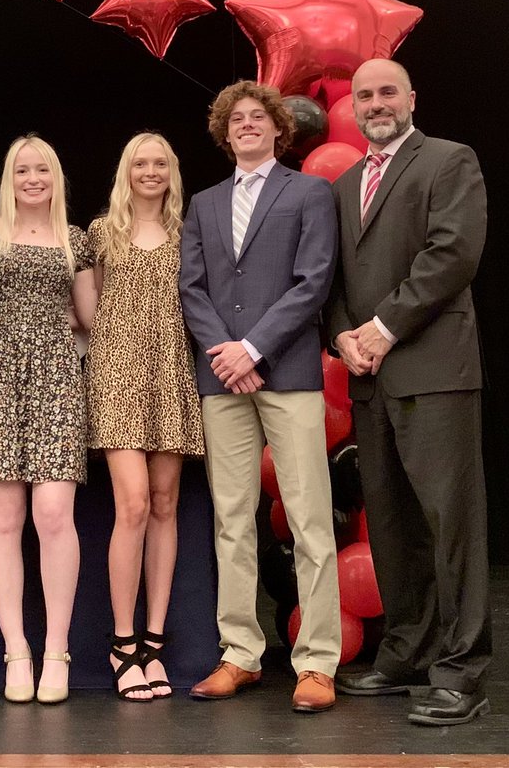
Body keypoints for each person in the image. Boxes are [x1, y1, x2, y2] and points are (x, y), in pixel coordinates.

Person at [328, 58, 491, 726]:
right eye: (364, 95)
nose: (375, 103)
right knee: (392, 524)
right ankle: (408, 652)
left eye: (387, 91)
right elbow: (331, 275)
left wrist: (382, 329)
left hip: (433, 372)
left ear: (411, 97)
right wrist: (342, 336)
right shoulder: (341, 185)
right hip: (369, 380)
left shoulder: (450, 161)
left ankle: (462, 671)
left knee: (451, 522)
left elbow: (453, 253)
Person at [179, 80, 341, 713]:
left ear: (279, 129)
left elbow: (314, 281)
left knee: (308, 520)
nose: (247, 124)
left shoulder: (310, 192)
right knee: (232, 519)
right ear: (225, 133)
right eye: (236, 118)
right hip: (222, 377)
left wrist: (255, 349)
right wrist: (228, 352)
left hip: (289, 373)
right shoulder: (203, 203)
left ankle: (318, 662)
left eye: (258, 117)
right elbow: (192, 288)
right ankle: (240, 654)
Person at [0, 136, 97, 705]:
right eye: (23, 169)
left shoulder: (76, 240)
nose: (33, 177)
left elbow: (92, 317)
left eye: (43, 167)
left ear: (57, 176)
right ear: (9, 176)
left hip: (58, 378)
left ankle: (57, 651)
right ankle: (16, 650)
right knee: (3, 520)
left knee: (52, 514)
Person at [86, 133, 204, 702]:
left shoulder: (189, 235)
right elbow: (90, 312)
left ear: (172, 171)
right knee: (130, 505)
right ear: (125, 171)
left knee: (164, 505)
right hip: (117, 376)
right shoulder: (102, 232)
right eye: (141, 162)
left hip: (171, 373)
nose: (150, 171)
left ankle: (154, 642)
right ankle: (122, 642)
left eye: (161, 162)